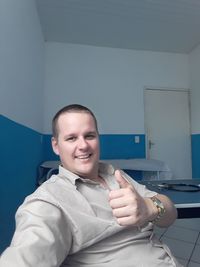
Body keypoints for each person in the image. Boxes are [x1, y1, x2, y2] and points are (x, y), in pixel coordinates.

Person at [0, 104, 182, 267]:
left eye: (89, 136)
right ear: (56, 146)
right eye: (71, 138)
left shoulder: (115, 174)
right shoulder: (49, 200)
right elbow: (28, 253)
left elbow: (170, 214)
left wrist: (149, 207)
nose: (83, 145)